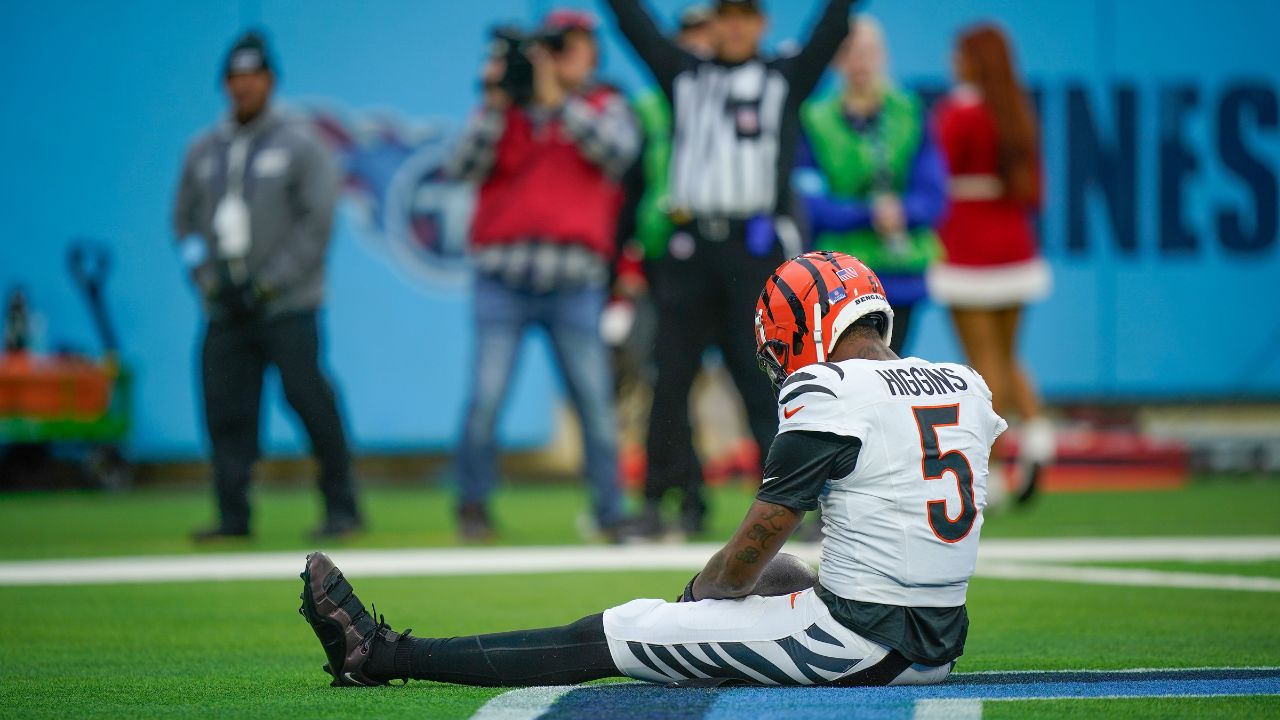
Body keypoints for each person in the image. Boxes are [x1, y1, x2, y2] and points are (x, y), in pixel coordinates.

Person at [299, 251, 1005, 689]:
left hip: (855, 645)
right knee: (783, 579)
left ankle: (385, 656)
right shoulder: (964, 384)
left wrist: (695, 595)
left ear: (806, 327)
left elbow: (755, 544)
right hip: (934, 645)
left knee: (620, 629)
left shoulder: (828, 394)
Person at [606, 0, 858, 540]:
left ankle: (794, 504)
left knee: (768, 383)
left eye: (746, 15)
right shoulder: (684, 76)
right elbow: (635, 25)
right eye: (726, 15)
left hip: (753, 251)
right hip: (690, 249)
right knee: (670, 380)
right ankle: (655, 503)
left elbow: (831, 28)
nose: (736, 25)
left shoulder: (783, 79)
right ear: (713, 24)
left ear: (762, 25)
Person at [446, 10, 641, 541]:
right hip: (502, 280)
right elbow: (460, 168)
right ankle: (472, 507)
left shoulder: (605, 105)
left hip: (574, 283)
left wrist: (559, 100)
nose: (560, 58)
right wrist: (495, 102)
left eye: (569, 47)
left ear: (591, 54)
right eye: (551, 49)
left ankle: (609, 510)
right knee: (485, 399)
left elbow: (619, 154)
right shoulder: (504, 111)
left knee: (595, 404)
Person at [173, 31, 362, 541]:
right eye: (235, 78)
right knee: (225, 408)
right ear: (225, 84)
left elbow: (316, 223)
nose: (243, 87)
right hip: (223, 306)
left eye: (253, 77)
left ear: (270, 81)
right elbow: (184, 223)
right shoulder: (204, 149)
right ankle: (233, 515)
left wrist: (268, 284)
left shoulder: (300, 142)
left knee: (308, 397)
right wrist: (209, 282)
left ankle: (342, 506)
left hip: (287, 306)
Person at [928, 23, 1053, 505]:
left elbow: (936, 171)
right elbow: (1035, 188)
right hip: (1015, 241)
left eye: (959, 53)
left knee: (983, 364)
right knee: (1004, 355)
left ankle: (994, 473)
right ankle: (1039, 435)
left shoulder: (958, 111)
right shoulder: (1015, 109)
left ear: (973, 60)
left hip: (967, 244)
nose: (952, 61)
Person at [796, 15, 947, 357]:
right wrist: (868, 214)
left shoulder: (910, 112)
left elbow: (933, 193)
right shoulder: (813, 120)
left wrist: (904, 212)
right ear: (835, 57)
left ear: (883, 56)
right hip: (840, 276)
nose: (859, 60)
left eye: (867, 51)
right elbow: (807, 200)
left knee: (894, 367)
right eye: (849, 50)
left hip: (900, 270)